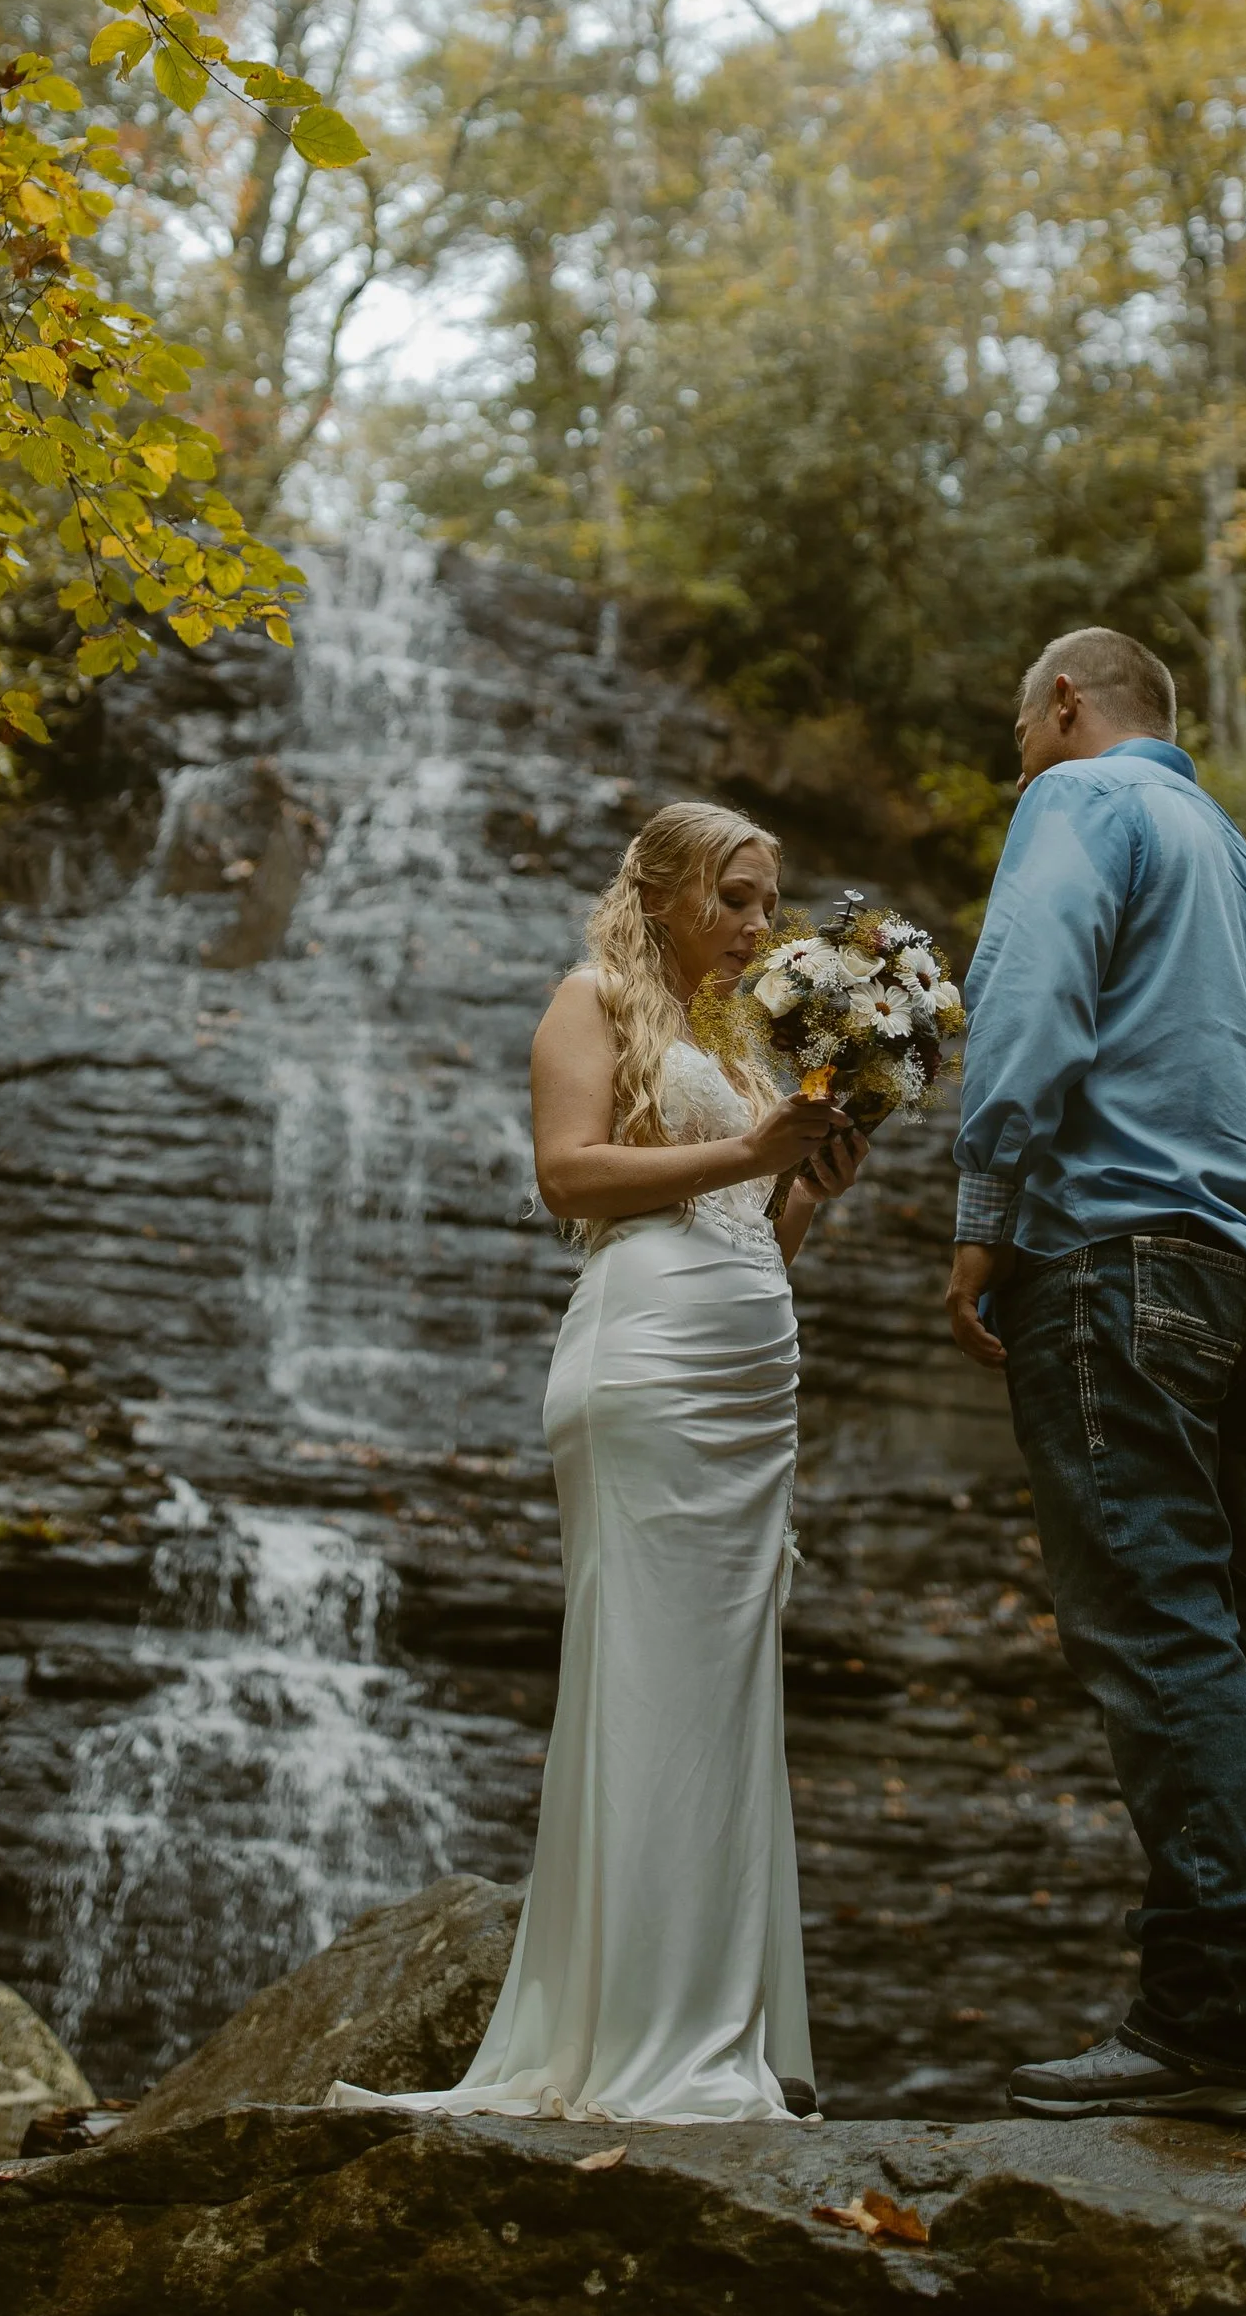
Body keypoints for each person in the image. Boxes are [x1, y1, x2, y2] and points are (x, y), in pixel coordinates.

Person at [334, 799, 864, 2126]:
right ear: (671, 891)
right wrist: (749, 1148)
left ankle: (702, 2020)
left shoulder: (742, 1038)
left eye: (769, 897)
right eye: (736, 896)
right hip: (645, 1369)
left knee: (722, 1697)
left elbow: (751, 1231)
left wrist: (803, 1188)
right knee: (648, 1681)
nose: (760, 922)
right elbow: (570, 1176)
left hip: (748, 1380)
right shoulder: (591, 999)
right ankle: (637, 2036)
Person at [943, 627, 1246, 2130]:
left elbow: (1036, 1003)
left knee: (1157, 1624)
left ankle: (1222, 2012)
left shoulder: (1081, 804)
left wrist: (985, 1214)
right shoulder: (1241, 867)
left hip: (1114, 1250)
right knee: (1244, 1647)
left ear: (1065, 701)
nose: (1018, 758)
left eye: (1020, 725)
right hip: (1242, 1274)